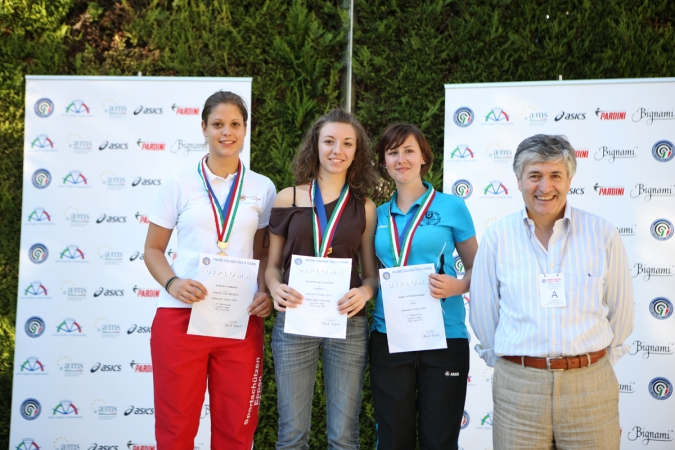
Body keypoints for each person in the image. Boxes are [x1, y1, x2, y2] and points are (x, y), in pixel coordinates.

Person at [470, 134, 634, 449]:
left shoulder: (602, 234)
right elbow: (483, 314)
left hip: (591, 385)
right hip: (518, 388)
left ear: (569, 179)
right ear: (518, 180)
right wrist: (516, 364)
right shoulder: (497, 238)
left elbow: (622, 313)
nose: (545, 187)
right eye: (535, 176)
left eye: (555, 175)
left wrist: (590, 364)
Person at [144, 91, 276, 449]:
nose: (226, 132)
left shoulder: (262, 187)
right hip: (180, 317)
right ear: (203, 128)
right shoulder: (179, 182)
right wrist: (172, 282)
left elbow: (264, 253)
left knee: (236, 431)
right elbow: (153, 249)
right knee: (176, 428)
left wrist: (264, 291)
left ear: (246, 129)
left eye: (235, 124)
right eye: (217, 124)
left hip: (239, 319)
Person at [265, 109, 379, 449]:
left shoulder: (365, 207)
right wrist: (275, 288)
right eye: (329, 141)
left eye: (347, 143)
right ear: (315, 145)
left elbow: (371, 274)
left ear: (356, 152)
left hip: (347, 322)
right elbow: (271, 266)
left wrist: (364, 293)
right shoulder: (289, 198)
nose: (337, 150)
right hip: (294, 318)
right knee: (292, 434)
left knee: (344, 436)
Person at [370, 123, 478, 450]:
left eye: (408, 151)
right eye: (392, 152)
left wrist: (458, 286)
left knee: (440, 440)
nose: (400, 159)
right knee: (392, 440)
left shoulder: (452, 207)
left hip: (444, 335)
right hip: (389, 334)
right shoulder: (375, 216)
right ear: (384, 162)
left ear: (423, 158)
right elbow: (373, 275)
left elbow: (479, 267)